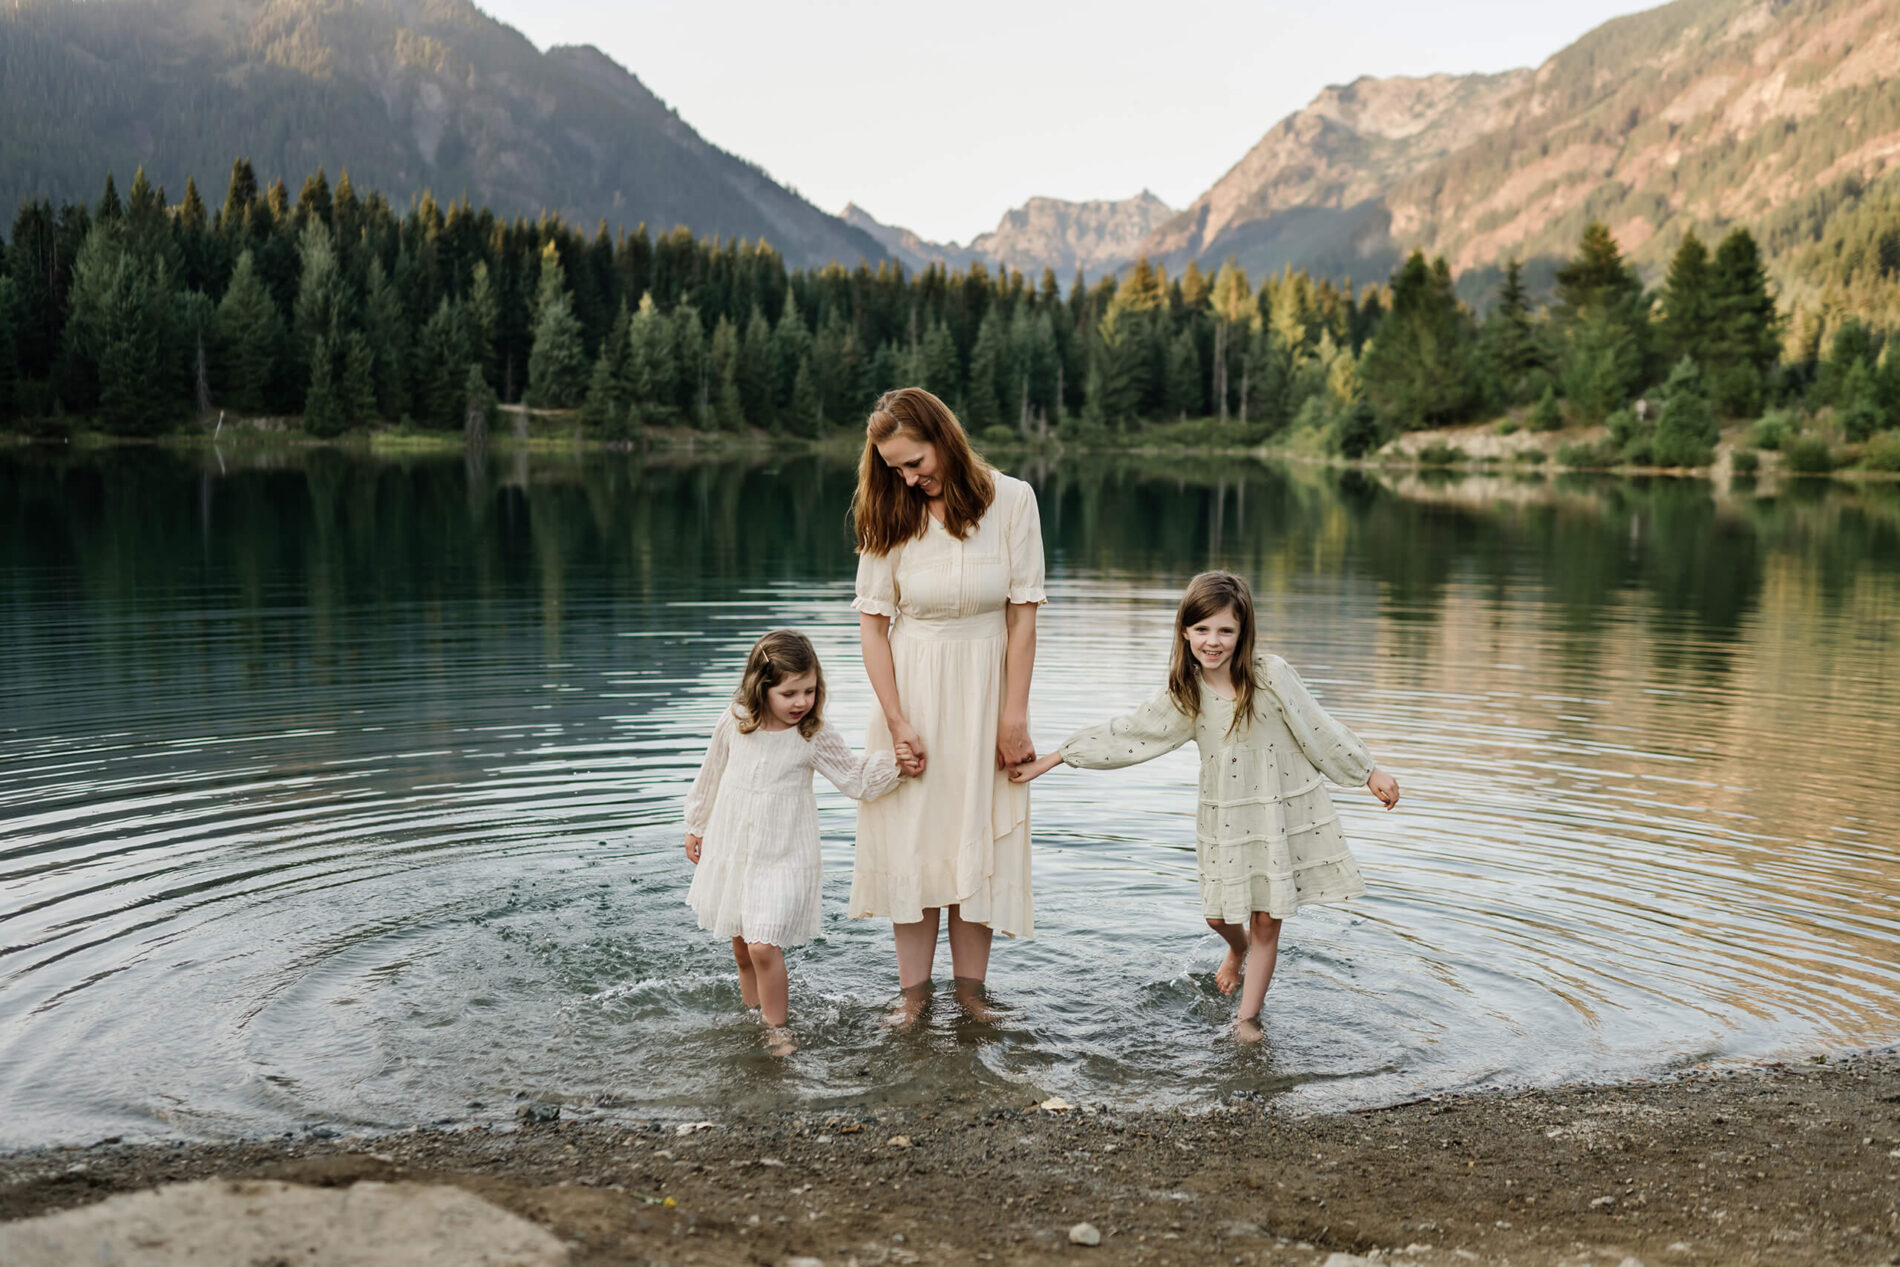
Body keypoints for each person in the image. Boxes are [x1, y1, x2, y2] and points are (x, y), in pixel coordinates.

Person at [1009, 571, 1399, 1042]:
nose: (1213, 642)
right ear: (1185, 632)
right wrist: (1054, 758)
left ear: (1242, 632)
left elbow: (1319, 727)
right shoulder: (1186, 695)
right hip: (1227, 817)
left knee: (1266, 919)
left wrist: (1368, 771)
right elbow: (1130, 733)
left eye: (1225, 630)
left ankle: (1247, 1020)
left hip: (1278, 815)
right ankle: (1236, 950)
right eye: (1202, 630)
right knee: (1217, 915)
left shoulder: (1271, 676)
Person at [849, 387, 1045, 1024]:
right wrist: (898, 723)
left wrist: (1012, 717)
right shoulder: (891, 513)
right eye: (896, 468)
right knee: (914, 842)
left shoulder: (1012, 499)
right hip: (914, 696)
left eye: (915, 461)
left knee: (976, 836)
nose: (908, 477)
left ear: (944, 437)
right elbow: (873, 629)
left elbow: (1023, 619)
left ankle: (970, 994)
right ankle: (913, 999)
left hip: (989, 693)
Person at [683, 629, 909, 1055]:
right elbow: (709, 775)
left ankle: (776, 1029)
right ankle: (753, 1014)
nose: (801, 702)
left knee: (763, 945)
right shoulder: (735, 721)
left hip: (784, 856)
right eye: (789, 693)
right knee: (742, 948)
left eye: (809, 690)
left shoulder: (812, 734)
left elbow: (854, 778)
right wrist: (696, 825)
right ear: (761, 687)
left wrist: (899, 762)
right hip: (733, 851)